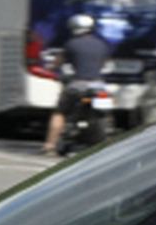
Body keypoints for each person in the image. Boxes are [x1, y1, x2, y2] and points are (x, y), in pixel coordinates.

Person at [41, 13, 112, 153]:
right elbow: (104, 63)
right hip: (98, 84)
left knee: (60, 112)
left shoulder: (71, 44)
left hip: (78, 83)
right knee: (106, 112)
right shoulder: (101, 44)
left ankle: (50, 145)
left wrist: (49, 68)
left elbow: (57, 62)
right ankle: (108, 133)